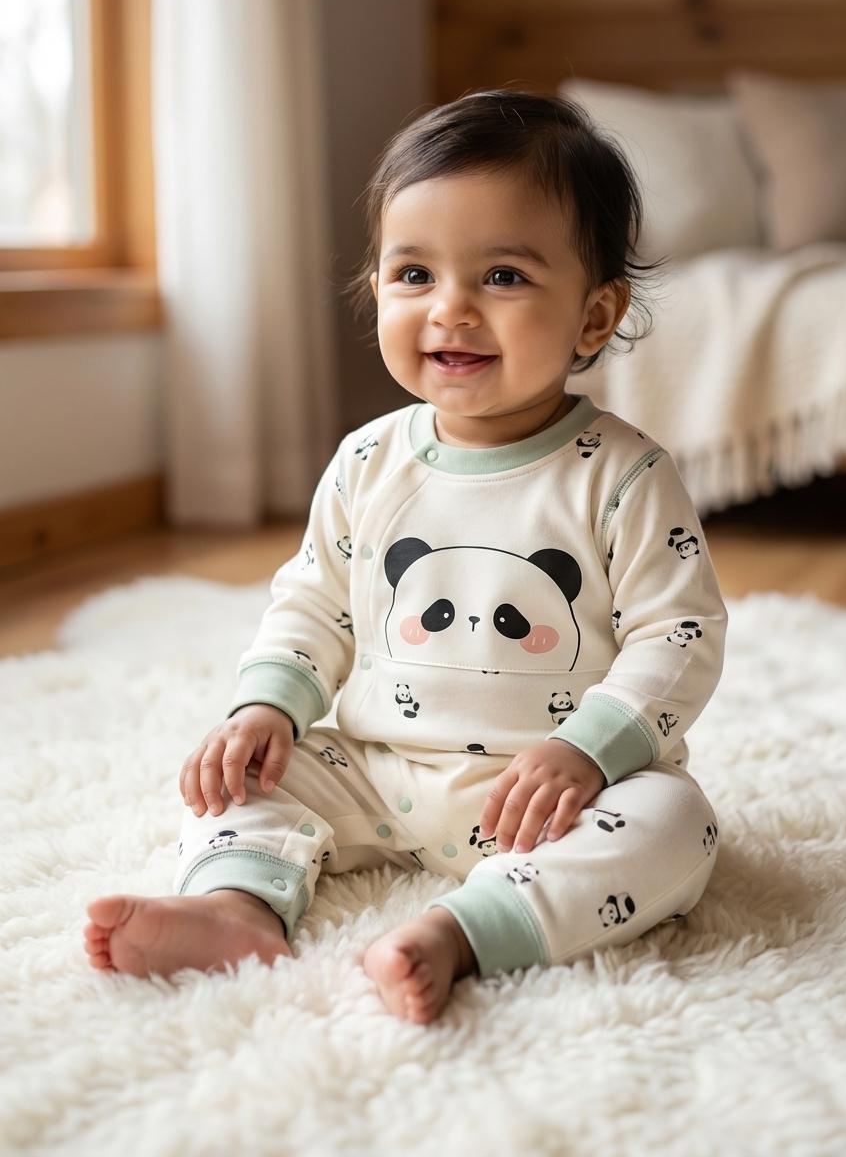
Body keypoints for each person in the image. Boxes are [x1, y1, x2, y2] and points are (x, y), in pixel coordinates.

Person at [84, 88, 727, 1025]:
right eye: (414, 274)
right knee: (238, 776)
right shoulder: (367, 461)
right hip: (380, 768)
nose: (451, 310)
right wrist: (266, 707)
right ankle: (237, 908)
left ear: (594, 317)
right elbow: (315, 602)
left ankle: (465, 932)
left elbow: (681, 633)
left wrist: (588, 752)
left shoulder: (623, 475)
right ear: (376, 285)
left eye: (503, 277)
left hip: (554, 796)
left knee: (678, 827)